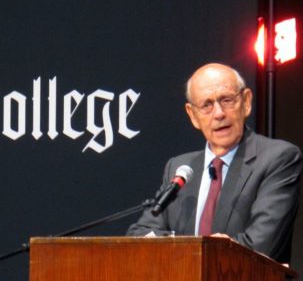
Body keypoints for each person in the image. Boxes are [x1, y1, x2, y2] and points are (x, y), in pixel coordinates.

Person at [127, 63, 301, 263]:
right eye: (206, 105)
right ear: (193, 115)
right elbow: (140, 234)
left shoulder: (277, 158)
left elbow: (260, 246)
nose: (218, 113)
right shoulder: (181, 168)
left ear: (246, 101)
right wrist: (189, 245)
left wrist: (178, 247)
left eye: (227, 100)